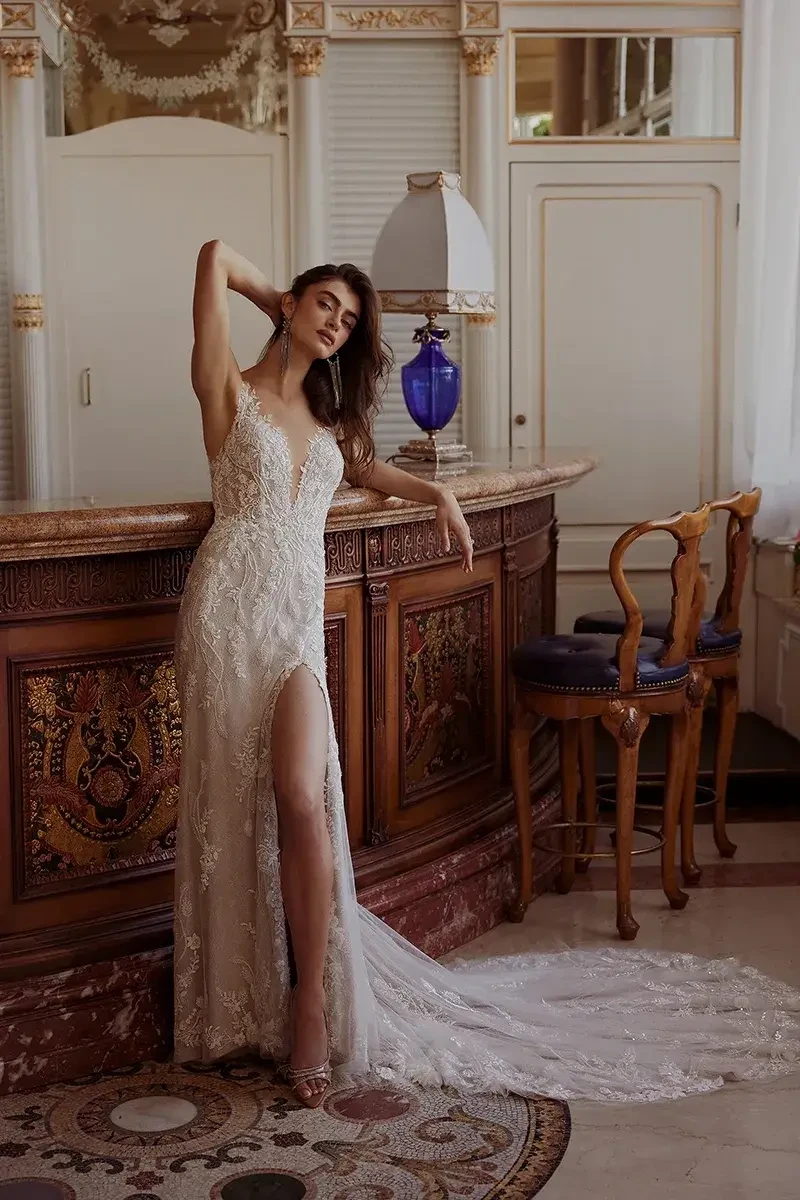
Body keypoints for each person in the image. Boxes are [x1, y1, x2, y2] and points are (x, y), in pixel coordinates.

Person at [173, 241, 800, 1109]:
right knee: (236, 805)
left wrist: (436, 494)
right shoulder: (228, 392)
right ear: (293, 301)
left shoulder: (329, 423)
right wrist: (275, 293)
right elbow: (211, 257)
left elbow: (364, 472)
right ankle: (246, 1001)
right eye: (326, 305)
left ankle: (309, 999)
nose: (335, 324)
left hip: (291, 625)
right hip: (221, 612)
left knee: (300, 792)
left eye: (349, 321)